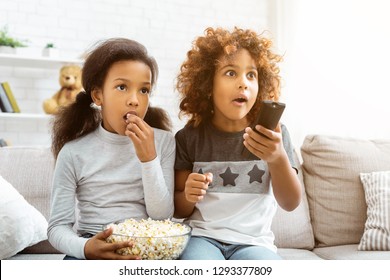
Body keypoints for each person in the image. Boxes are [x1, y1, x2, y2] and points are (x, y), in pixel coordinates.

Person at [174, 27, 302, 260]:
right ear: (207, 85)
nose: (244, 83)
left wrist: (278, 158)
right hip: (202, 238)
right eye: (231, 73)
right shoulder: (188, 137)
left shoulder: (275, 134)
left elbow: (291, 202)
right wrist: (188, 195)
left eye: (251, 75)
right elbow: (179, 209)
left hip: (255, 243)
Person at [47, 38, 175, 260]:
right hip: (92, 242)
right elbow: (57, 227)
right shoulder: (73, 152)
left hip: (146, 245)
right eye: (122, 87)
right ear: (98, 95)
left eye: (144, 90)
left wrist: (148, 158)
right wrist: (86, 248)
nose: (135, 100)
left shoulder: (164, 142)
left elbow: (162, 215)